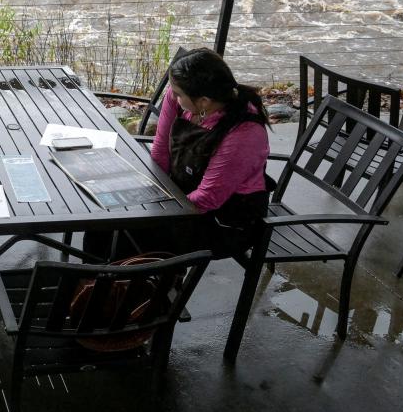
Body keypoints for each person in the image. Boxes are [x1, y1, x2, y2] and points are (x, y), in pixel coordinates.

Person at [88, 47, 273, 259]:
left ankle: (134, 285)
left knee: (128, 231)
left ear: (204, 101)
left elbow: (207, 198)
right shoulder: (182, 96)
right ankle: (91, 283)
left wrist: (153, 212)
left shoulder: (244, 134)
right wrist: (147, 192)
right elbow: (160, 151)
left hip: (223, 220)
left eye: (178, 94)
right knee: (105, 217)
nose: (172, 96)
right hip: (180, 193)